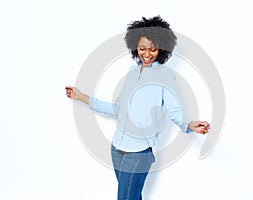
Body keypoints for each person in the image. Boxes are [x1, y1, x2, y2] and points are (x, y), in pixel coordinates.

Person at [65, 16, 210, 200]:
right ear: (135, 47)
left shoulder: (165, 76)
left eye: (153, 49)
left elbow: (174, 110)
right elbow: (117, 109)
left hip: (140, 152)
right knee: (131, 196)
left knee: (125, 198)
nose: (147, 54)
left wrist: (189, 125)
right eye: (142, 48)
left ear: (161, 49)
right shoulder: (131, 73)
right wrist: (80, 96)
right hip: (117, 148)